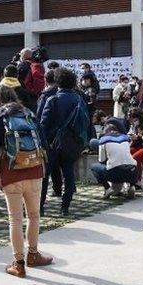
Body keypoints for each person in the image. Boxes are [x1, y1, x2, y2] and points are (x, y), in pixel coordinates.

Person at [0, 85, 53, 277]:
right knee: (34, 216)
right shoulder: (28, 113)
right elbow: (43, 141)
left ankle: (18, 263)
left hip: (11, 172)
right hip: (34, 170)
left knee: (15, 219)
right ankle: (33, 254)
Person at [39, 68, 89, 217]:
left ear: (58, 82)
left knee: (45, 175)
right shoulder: (79, 99)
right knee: (69, 174)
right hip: (73, 143)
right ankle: (65, 208)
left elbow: (43, 124)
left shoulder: (52, 99)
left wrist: (44, 142)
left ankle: (40, 208)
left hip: (52, 144)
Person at [90, 118, 138, 198]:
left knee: (94, 167)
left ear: (106, 132)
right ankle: (132, 186)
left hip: (115, 173)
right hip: (133, 172)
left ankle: (107, 189)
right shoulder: (125, 138)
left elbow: (101, 160)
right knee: (129, 163)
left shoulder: (103, 140)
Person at [36, 67, 63, 202]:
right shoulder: (61, 94)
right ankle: (58, 189)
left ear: (45, 80)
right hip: (61, 136)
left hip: (48, 137)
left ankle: (40, 202)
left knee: (46, 170)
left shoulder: (46, 96)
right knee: (57, 164)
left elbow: (41, 118)